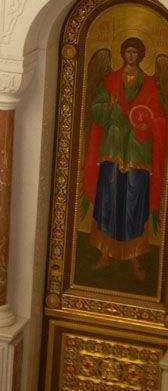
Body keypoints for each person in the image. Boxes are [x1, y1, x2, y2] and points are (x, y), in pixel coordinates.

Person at [82, 37, 166, 281]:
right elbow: (96, 112)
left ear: (141, 55)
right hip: (112, 148)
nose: (131, 56)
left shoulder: (149, 85)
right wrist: (108, 106)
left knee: (133, 205)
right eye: (127, 51)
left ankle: (135, 258)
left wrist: (148, 123)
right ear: (122, 53)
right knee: (108, 201)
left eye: (135, 52)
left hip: (137, 153)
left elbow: (160, 117)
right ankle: (105, 255)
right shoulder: (109, 81)